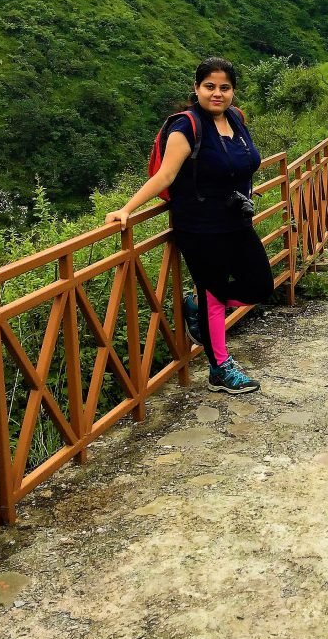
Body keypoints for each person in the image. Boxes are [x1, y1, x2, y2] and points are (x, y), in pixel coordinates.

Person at [105, 57, 275, 394]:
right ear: (196, 88)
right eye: (209, 86)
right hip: (200, 228)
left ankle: (196, 304)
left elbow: (245, 164)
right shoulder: (187, 127)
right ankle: (219, 369)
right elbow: (165, 175)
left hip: (236, 221)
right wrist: (125, 209)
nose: (217, 93)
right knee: (213, 294)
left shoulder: (236, 120)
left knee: (260, 285)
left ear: (233, 91)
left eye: (224, 87)